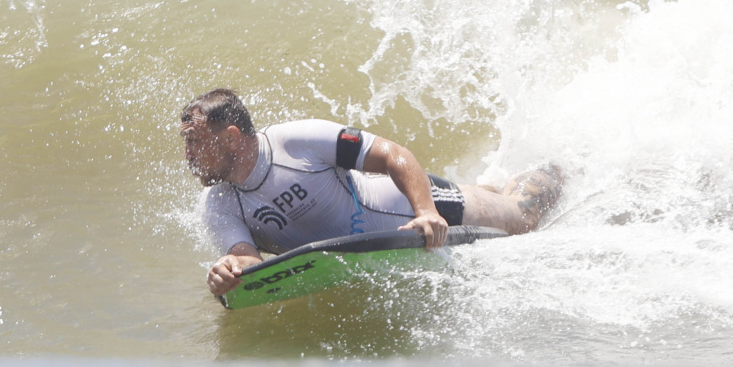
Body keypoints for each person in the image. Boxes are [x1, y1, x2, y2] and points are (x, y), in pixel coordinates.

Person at [179, 88, 563, 297]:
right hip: (370, 244)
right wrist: (228, 275)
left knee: (521, 218)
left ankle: (560, 165)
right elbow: (249, 263)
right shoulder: (219, 205)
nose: (188, 156)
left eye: (194, 142)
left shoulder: (295, 141)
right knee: (496, 200)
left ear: (230, 138)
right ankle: (488, 188)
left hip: (410, 207)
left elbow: (394, 156)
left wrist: (426, 211)